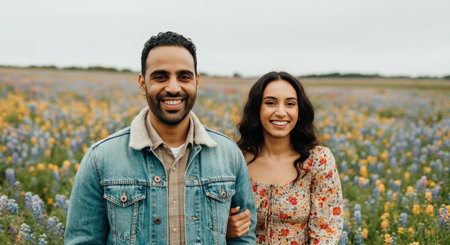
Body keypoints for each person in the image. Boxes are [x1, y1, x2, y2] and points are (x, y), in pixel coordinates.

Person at [65, 31, 257, 245]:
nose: (173, 88)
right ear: (142, 83)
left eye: (184, 77)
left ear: (197, 82)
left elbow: (244, 239)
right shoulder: (101, 158)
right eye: (160, 77)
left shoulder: (228, 153)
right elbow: (83, 240)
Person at [226, 71, 343, 244]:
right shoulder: (235, 157)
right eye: (271, 103)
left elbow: (326, 232)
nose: (281, 112)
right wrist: (223, 228)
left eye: (290, 104)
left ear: (299, 110)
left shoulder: (318, 160)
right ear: (257, 108)